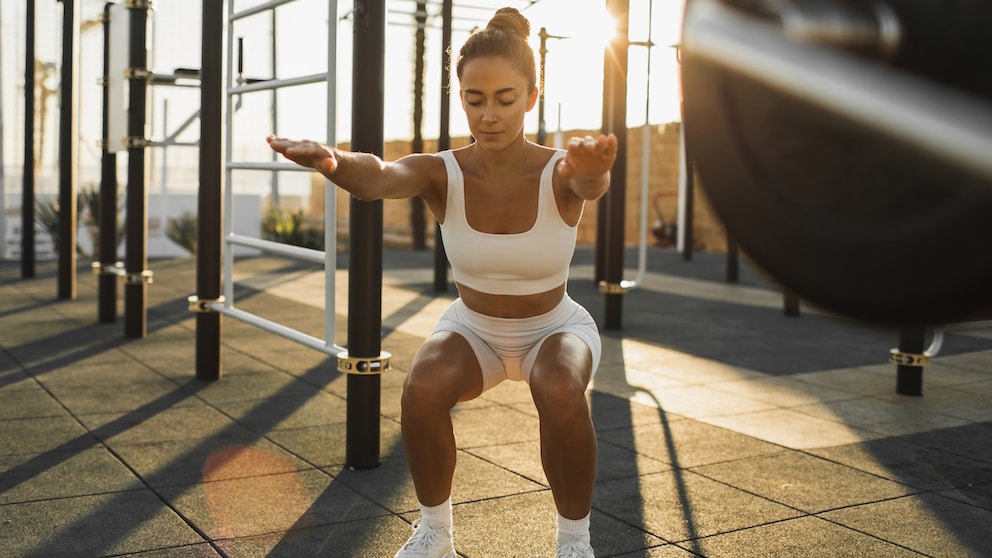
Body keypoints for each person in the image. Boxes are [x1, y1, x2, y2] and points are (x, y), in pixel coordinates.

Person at [268, 7, 616, 557]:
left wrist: (596, 166)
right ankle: (435, 535)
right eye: (474, 99)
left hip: (554, 327)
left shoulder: (557, 170)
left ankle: (574, 542)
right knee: (422, 388)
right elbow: (380, 177)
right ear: (461, 98)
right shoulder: (441, 172)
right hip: (474, 328)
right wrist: (332, 161)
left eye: (505, 99)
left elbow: (590, 184)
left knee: (560, 390)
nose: (489, 115)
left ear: (531, 97)